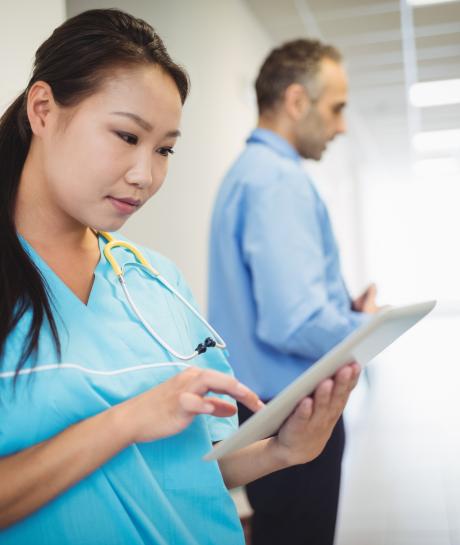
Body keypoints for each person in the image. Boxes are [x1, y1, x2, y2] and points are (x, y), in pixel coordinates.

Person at [0, 11, 361, 545]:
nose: (145, 175)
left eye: (164, 149)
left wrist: (282, 452)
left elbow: (195, 467)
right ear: (43, 109)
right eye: (126, 135)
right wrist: (125, 422)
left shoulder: (156, 280)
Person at [209, 39, 379, 545]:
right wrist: (367, 327)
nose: (343, 125)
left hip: (269, 409)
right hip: (292, 414)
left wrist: (340, 312)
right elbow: (293, 322)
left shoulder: (248, 174)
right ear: (297, 102)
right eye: (337, 108)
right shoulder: (276, 181)